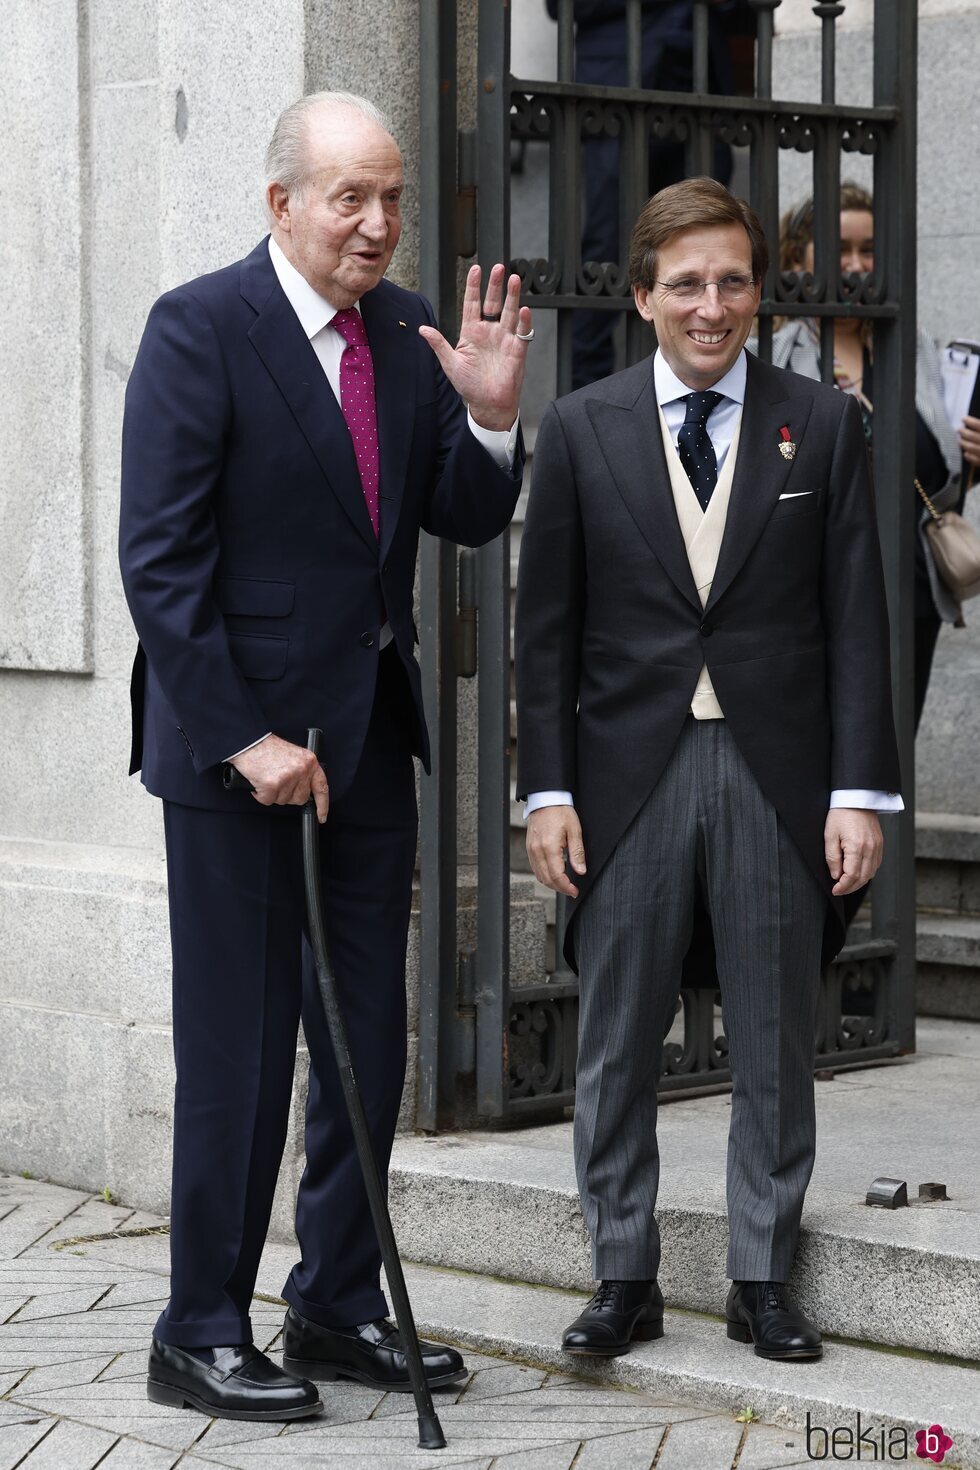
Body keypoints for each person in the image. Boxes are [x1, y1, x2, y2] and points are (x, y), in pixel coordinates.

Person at [119, 91, 529, 1422]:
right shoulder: (201, 328)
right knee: (239, 1053)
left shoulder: (406, 339)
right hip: (235, 765)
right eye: (348, 196)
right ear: (281, 202)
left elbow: (460, 514)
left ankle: (337, 1304)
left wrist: (491, 413)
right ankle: (198, 1326)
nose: (376, 222)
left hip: (363, 752)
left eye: (392, 197)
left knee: (368, 1037)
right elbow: (162, 562)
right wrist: (241, 737)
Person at [515, 176, 901, 1363]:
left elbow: (855, 620)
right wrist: (546, 792)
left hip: (774, 774)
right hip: (625, 777)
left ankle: (758, 1277)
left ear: (755, 289)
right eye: (683, 283)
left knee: (776, 1037)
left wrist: (857, 793)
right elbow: (547, 634)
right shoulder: (581, 428)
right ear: (641, 298)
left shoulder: (820, 423)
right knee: (616, 1036)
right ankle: (619, 1274)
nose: (710, 304)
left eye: (731, 280)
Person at [772, 183, 976, 729]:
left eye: (869, 251)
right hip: (805, 595)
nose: (857, 266)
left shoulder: (915, 351)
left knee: (891, 758)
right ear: (798, 259)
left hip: (907, 592)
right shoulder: (773, 356)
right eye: (840, 250)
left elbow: (933, 476)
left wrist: (973, 462)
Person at [545, 0, 752, 389]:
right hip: (617, 87)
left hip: (699, 87)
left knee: (704, 253)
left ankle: (682, 408)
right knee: (604, 259)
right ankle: (588, 415)